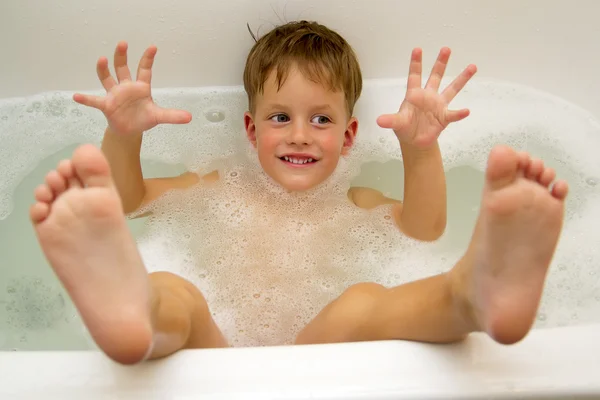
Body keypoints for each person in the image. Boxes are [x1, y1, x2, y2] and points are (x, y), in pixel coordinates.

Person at [30, 21, 568, 364]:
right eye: (280, 117)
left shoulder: (353, 203)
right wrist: (126, 137)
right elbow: (129, 199)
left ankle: (469, 297)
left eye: (321, 119)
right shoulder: (216, 185)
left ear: (349, 136)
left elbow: (423, 229)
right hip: (218, 361)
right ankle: (136, 320)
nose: (300, 134)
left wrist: (420, 148)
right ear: (250, 129)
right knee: (175, 292)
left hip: (316, 360)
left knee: (362, 305)